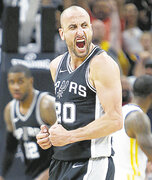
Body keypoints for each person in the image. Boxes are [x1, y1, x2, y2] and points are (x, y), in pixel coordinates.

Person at [36, 5, 123, 180]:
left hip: (92, 162)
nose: (80, 32)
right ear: (62, 34)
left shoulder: (101, 64)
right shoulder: (56, 66)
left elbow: (115, 119)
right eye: (73, 27)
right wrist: (50, 135)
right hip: (60, 161)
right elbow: (71, 116)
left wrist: (69, 137)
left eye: (84, 25)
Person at [0, 64, 56, 180]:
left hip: (56, 173)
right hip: (31, 174)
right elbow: (10, 148)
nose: (15, 87)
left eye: (20, 82)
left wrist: (47, 175)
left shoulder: (47, 105)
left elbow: (66, 146)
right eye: (11, 82)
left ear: (30, 81)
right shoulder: (10, 110)